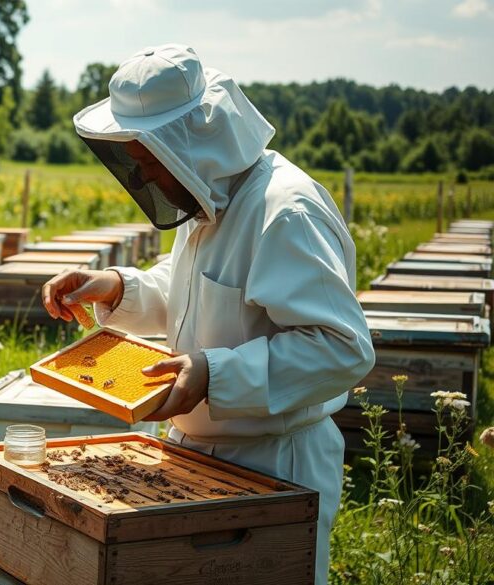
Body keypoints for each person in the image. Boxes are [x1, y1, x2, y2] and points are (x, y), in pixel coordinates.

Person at [42, 43, 375, 584]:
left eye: (150, 162)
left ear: (191, 144)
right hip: (196, 455)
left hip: (274, 466)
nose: (145, 179)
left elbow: (342, 348)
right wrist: (114, 288)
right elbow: (194, 296)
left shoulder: (284, 210)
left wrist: (215, 374)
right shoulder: (211, 201)